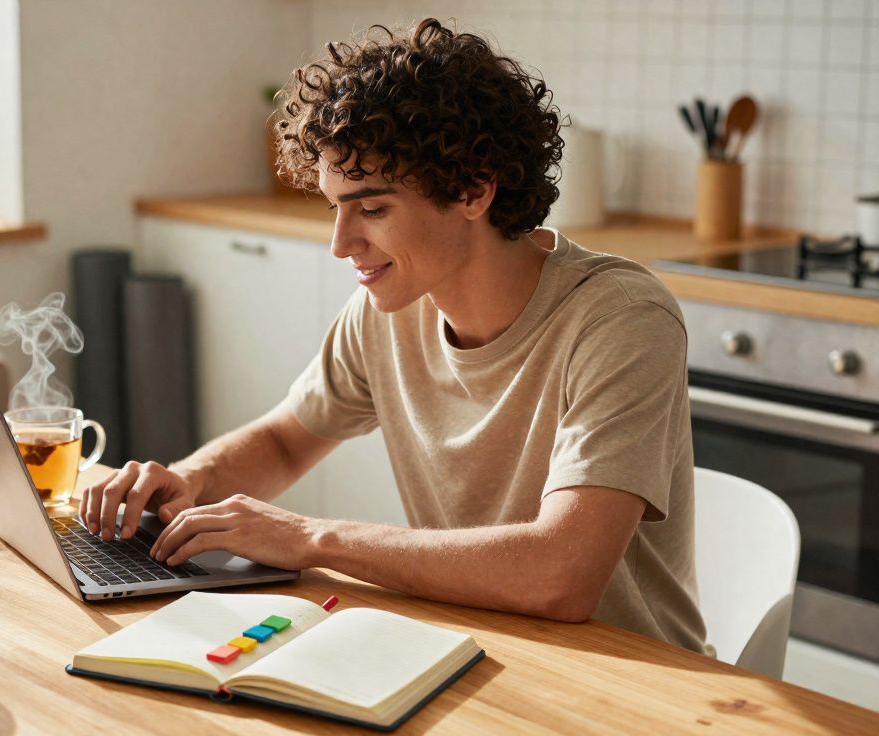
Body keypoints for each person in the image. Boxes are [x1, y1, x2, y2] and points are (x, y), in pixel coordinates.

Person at [80, 18, 709, 654]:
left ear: (473, 189)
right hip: (474, 648)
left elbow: (561, 576)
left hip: (628, 680)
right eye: (335, 208)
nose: (340, 244)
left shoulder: (619, 319)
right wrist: (189, 483)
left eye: (372, 209)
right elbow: (284, 440)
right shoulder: (388, 308)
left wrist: (311, 538)